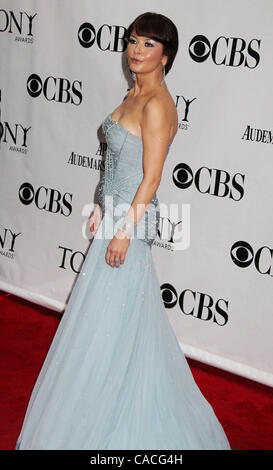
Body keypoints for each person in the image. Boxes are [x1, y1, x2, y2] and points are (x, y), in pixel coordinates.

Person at [15, 12, 231, 450]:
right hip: (113, 216)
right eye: (133, 40)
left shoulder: (156, 105)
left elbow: (151, 179)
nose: (136, 49)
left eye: (149, 43)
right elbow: (117, 164)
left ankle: (109, 409)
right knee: (115, 318)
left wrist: (124, 232)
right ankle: (105, 397)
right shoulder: (136, 91)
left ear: (166, 55)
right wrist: (99, 205)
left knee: (110, 318)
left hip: (128, 224)